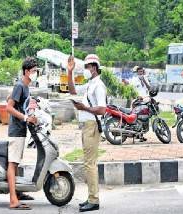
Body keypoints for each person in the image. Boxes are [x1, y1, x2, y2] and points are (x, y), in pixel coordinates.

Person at [68, 54, 107, 212]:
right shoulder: (90, 84)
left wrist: (84, 108)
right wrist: (69, 72)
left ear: (95, 67)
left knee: (90, 164)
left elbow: (102, 109)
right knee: (88, 163)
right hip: (87, 126)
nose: (86, 69)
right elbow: (72, 91)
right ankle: (91, 197)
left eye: (88, 66)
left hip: (92, 125)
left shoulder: (99, 85)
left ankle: (94, 200)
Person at [6, 57, 38, 210]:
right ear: (26, 71)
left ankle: (17, 193)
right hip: (16, 130)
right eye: (34, 71)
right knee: (12, 164)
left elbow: (15, 101)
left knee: (16, 162)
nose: (36, 73)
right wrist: (25, 117)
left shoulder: (25, 86)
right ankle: (13, 200)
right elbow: (9, 107)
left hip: (21, 129)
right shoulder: (20, 85)